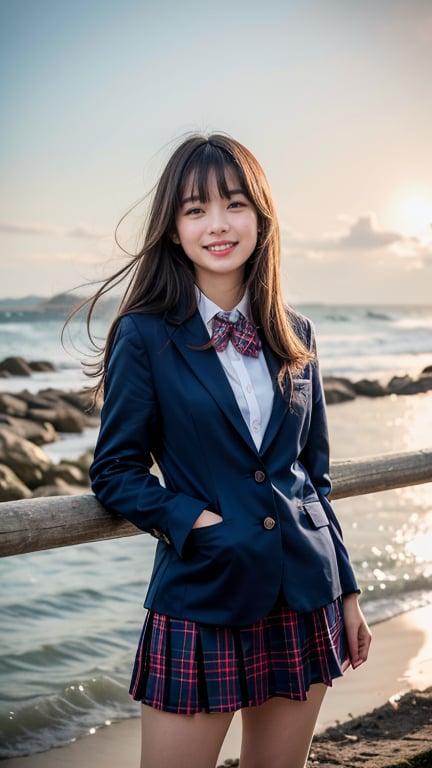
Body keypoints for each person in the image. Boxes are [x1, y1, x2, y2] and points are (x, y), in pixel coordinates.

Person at [86, 133, 371, 768]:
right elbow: (115, 472)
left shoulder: (297, 334)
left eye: (234, 203)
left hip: (306, 594)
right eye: (195, 209)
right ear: (174, 228)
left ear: (260, 215)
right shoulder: (144, 335)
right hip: (202, 597)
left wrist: (347, 590)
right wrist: (197, 521)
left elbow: (313, 478)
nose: (217, 224)